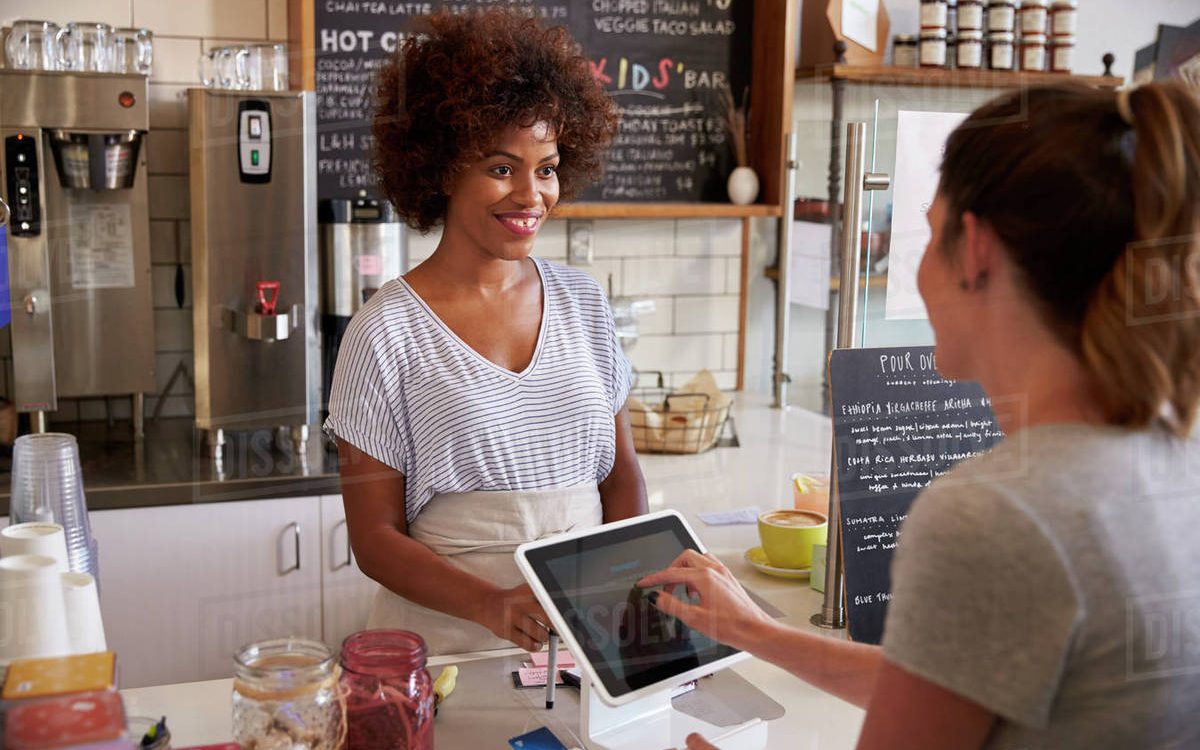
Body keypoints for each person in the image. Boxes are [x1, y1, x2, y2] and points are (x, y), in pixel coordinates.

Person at [639, 81, 1200, 749]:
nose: (919, 273)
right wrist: (755, 632)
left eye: (929, 238)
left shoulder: (993, 516)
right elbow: (954, 683)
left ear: (977, 251)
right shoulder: (1170, 455)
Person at [325, 8, 647, 656]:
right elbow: (375, 539)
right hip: (446, 645)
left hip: (582, 643)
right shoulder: (384, 331)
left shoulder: (583, 303)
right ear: (443, 167)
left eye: (548, 167)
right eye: (502, 167)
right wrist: (491, 605)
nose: (531, 194)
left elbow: (620, 478)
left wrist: (627, 582)